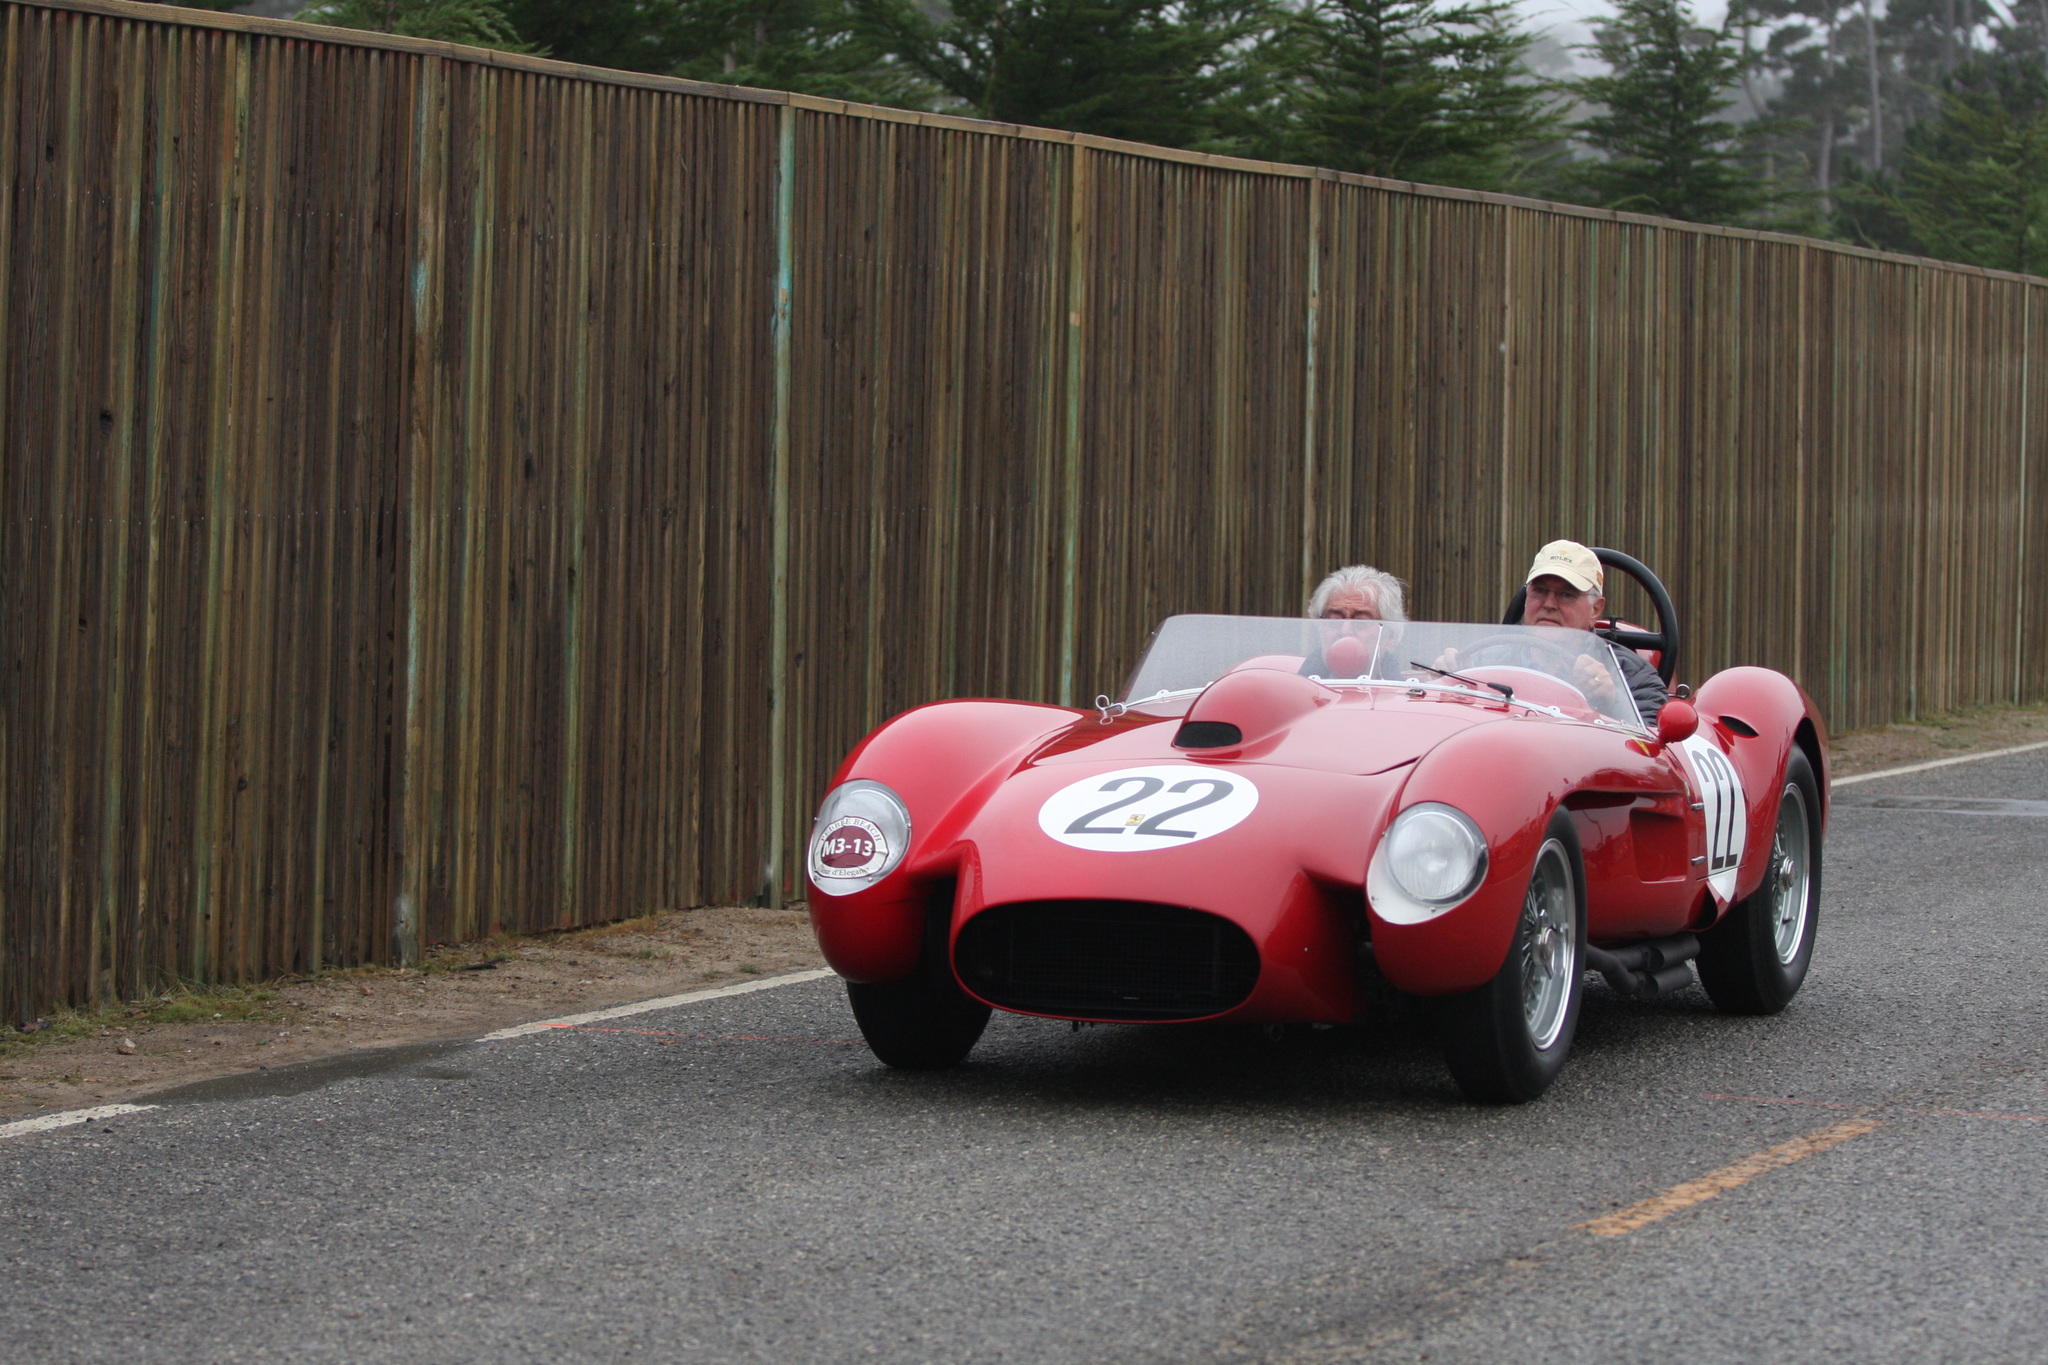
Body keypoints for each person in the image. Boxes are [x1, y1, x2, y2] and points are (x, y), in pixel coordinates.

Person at [1516, 540, 1666, 723]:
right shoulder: (1485, 659)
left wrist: (1612, 701)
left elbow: (1652, 743)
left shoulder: (1634, 676)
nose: (1548, 604)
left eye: (1566, 594)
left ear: (1595, 609)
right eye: (1539, 591)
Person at [1302, 565, 1406, 678]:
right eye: (1334, 621)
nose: (1345, 631)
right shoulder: (1293, 693)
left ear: (1390, 637)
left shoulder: (1405, 694)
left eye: (1361, 622)